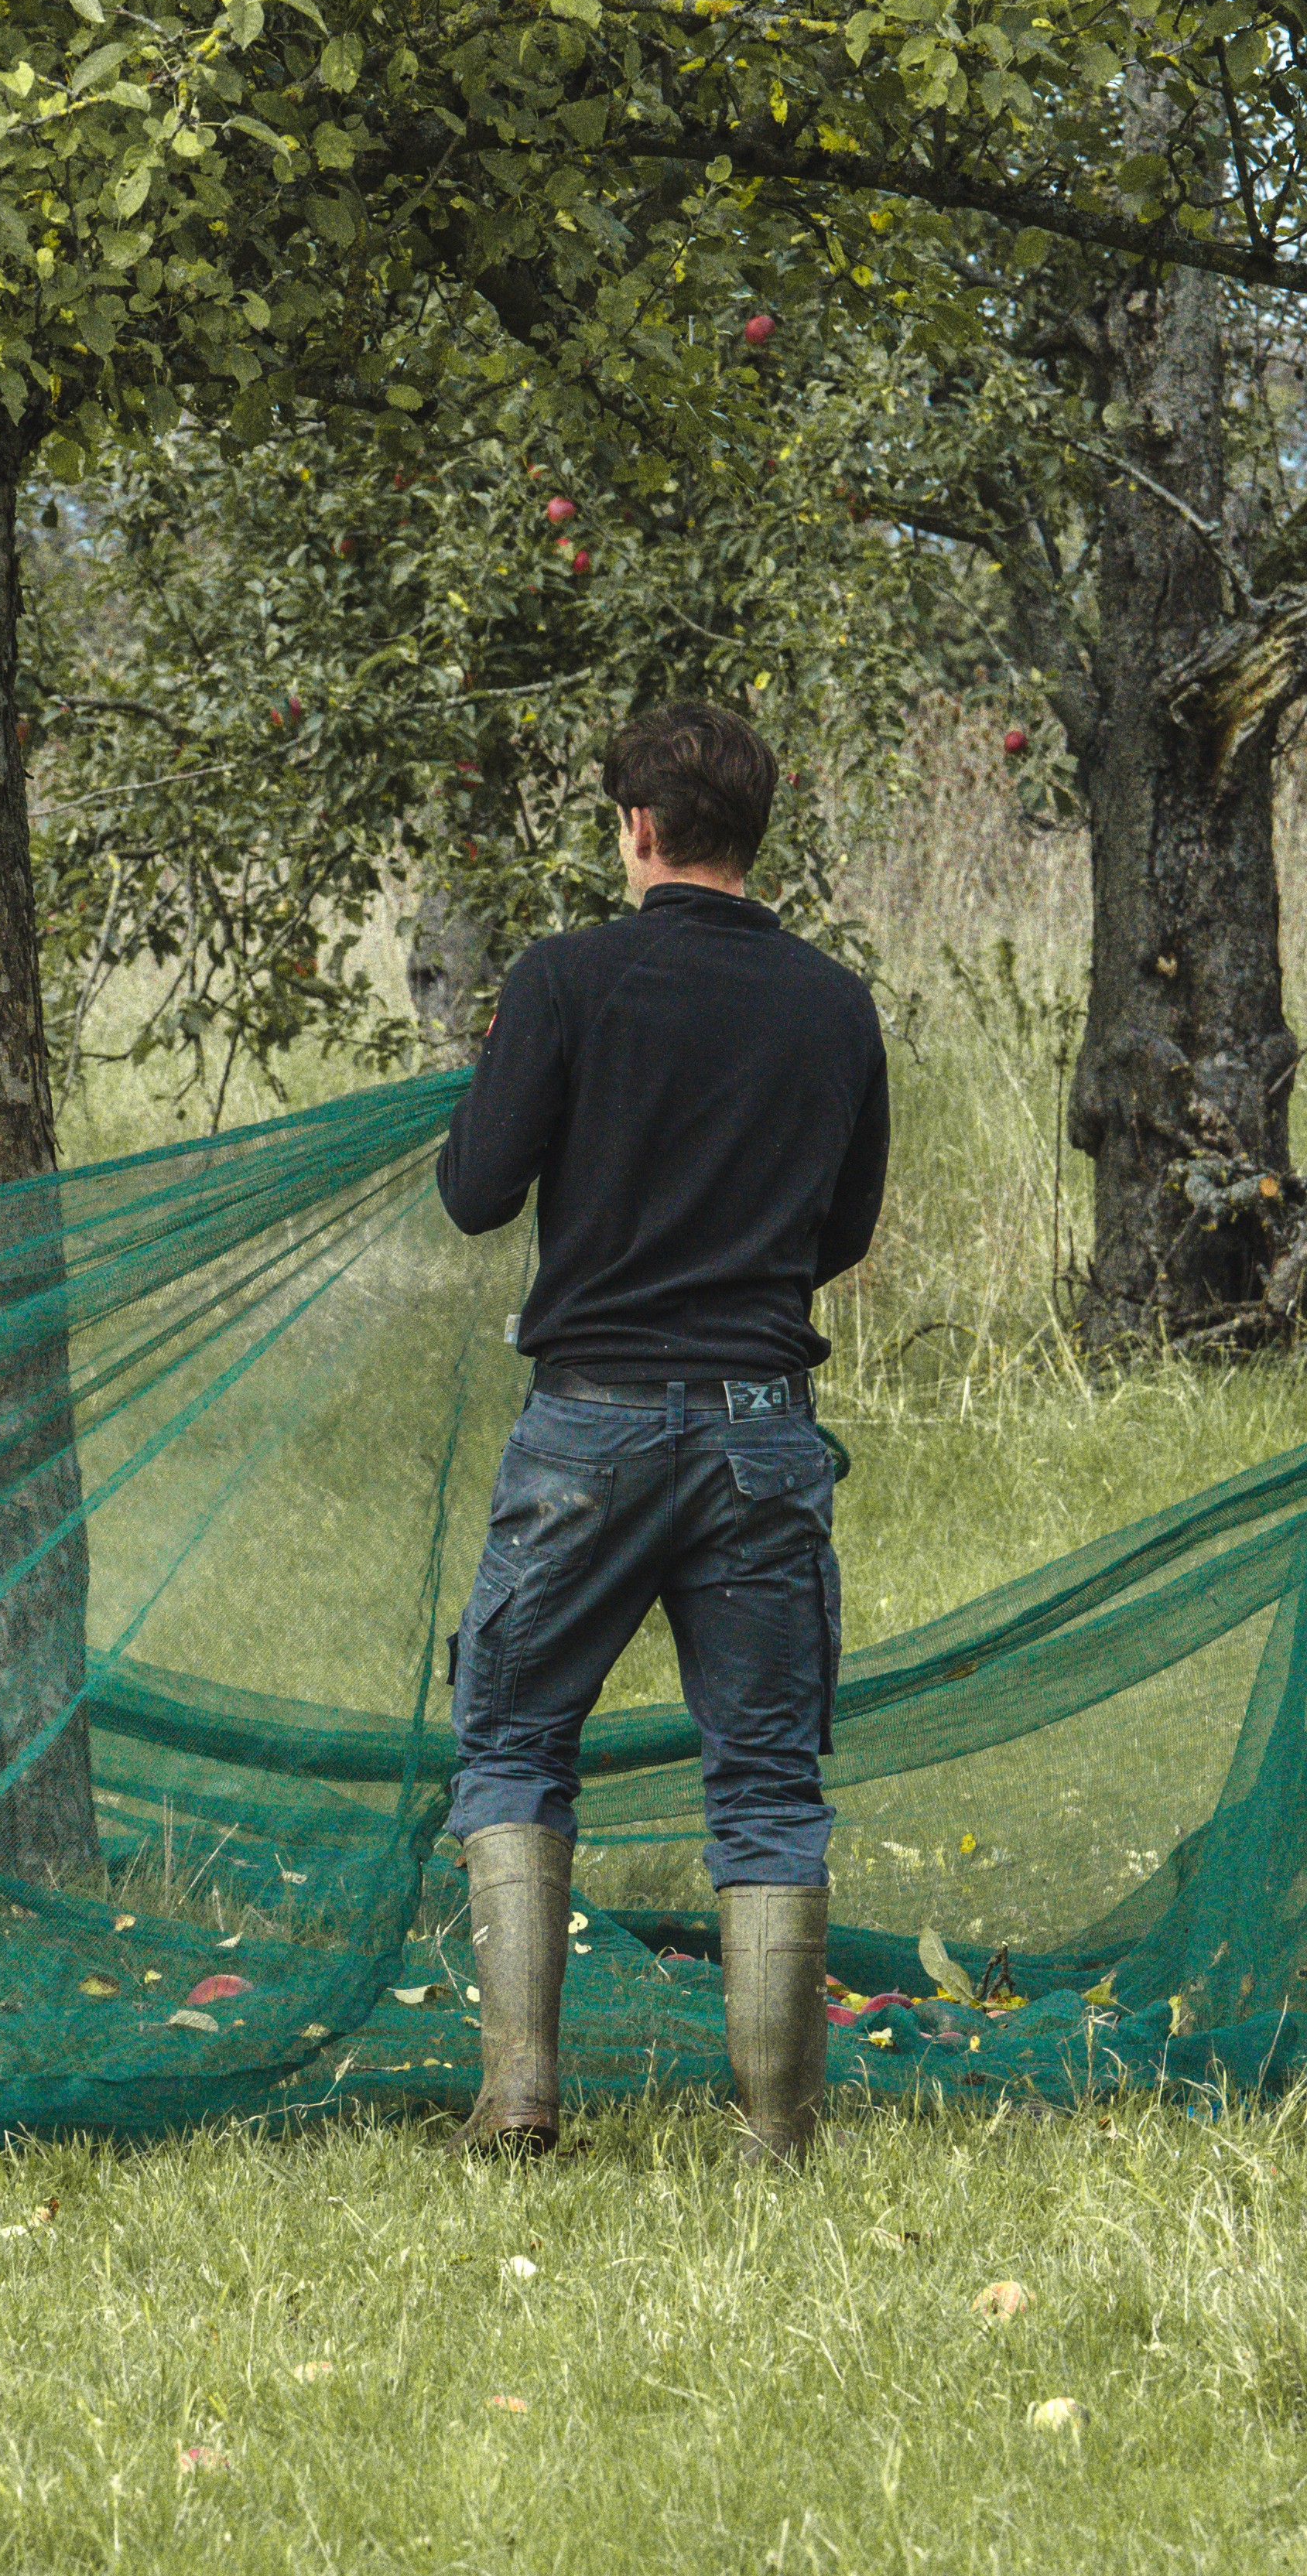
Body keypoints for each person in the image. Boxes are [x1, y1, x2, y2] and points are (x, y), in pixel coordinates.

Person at [433, 701, 889, 2163]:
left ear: (637, 828)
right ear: (756, 830)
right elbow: (848, 1228)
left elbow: (476, 1193)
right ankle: (774, 2138)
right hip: (764, 1431)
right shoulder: (833, 1002)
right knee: (764, 1779)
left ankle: (518, 2095)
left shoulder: (566, 979)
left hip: (590, 1430)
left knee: (512, 1736)